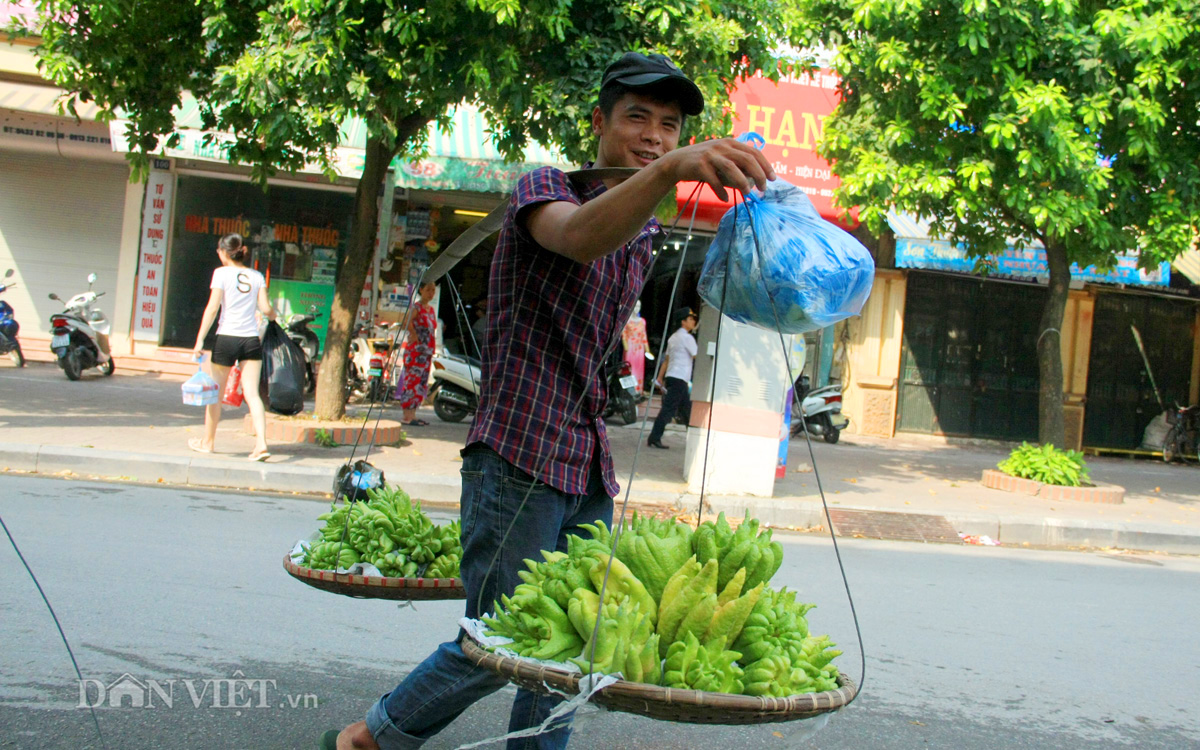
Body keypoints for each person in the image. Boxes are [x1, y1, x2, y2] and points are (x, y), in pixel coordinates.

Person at [325, 51, 773, 750]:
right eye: (638, 118)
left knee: (569, 649)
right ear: (598, 122)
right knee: (502, 639)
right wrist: (670, 171)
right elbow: (579, 236)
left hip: (586, 462)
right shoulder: (544, 188)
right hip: (518, 452)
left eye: (669, 126)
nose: (654, 136)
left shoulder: (645, 232)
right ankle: (371, 737)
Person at [189, 233, 277, 461]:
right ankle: (261, 444)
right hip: (250, 340)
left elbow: (212, 308)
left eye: (219, 250)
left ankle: (208, 442)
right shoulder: (257, 276)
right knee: (252, 394)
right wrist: (273, 316)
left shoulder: (221, 273)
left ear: (224, 253)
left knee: (215, 394)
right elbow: (266, 308)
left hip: (226, 338)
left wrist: (200, 339)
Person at [647, 308, 698, 449]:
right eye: (690, 319)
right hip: (680, 378)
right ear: (683, 322)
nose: (693, 322)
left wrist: (660, 377)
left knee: (686, 410)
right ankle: (654, 437)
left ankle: (694, 440)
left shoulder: (673, 338)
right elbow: (696, 355)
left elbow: (666, 361)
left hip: (672, 377)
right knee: (669, 410)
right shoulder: (688, 338)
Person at [397, 281, 438, 426]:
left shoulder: (430, 310)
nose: (431, 293)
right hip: (416, 351)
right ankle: (407, 415)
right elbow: (406, 322)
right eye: (428, 290)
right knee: (412, 381)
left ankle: (413, 415)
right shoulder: (416, 308)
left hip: (427, 352)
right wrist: (413, 334)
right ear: (421, 290)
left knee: (421, 383)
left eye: (433, 290)